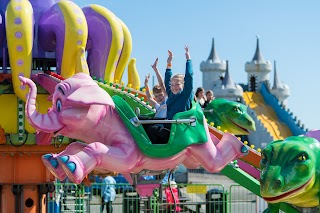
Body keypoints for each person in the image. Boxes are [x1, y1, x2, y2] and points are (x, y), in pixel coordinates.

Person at [147, 46, 194, 144]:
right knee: (141, 120)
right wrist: (169, 63)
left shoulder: (185, 95)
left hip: (178, 132)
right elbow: (167, 79)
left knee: (152, 129)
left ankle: (157, 151)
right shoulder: (171, 94)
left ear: (183, 85)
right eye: (172, 85)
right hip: (169, 126)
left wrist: (188, 59)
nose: (174, 87)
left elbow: (189, 76)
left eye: (177, 84)